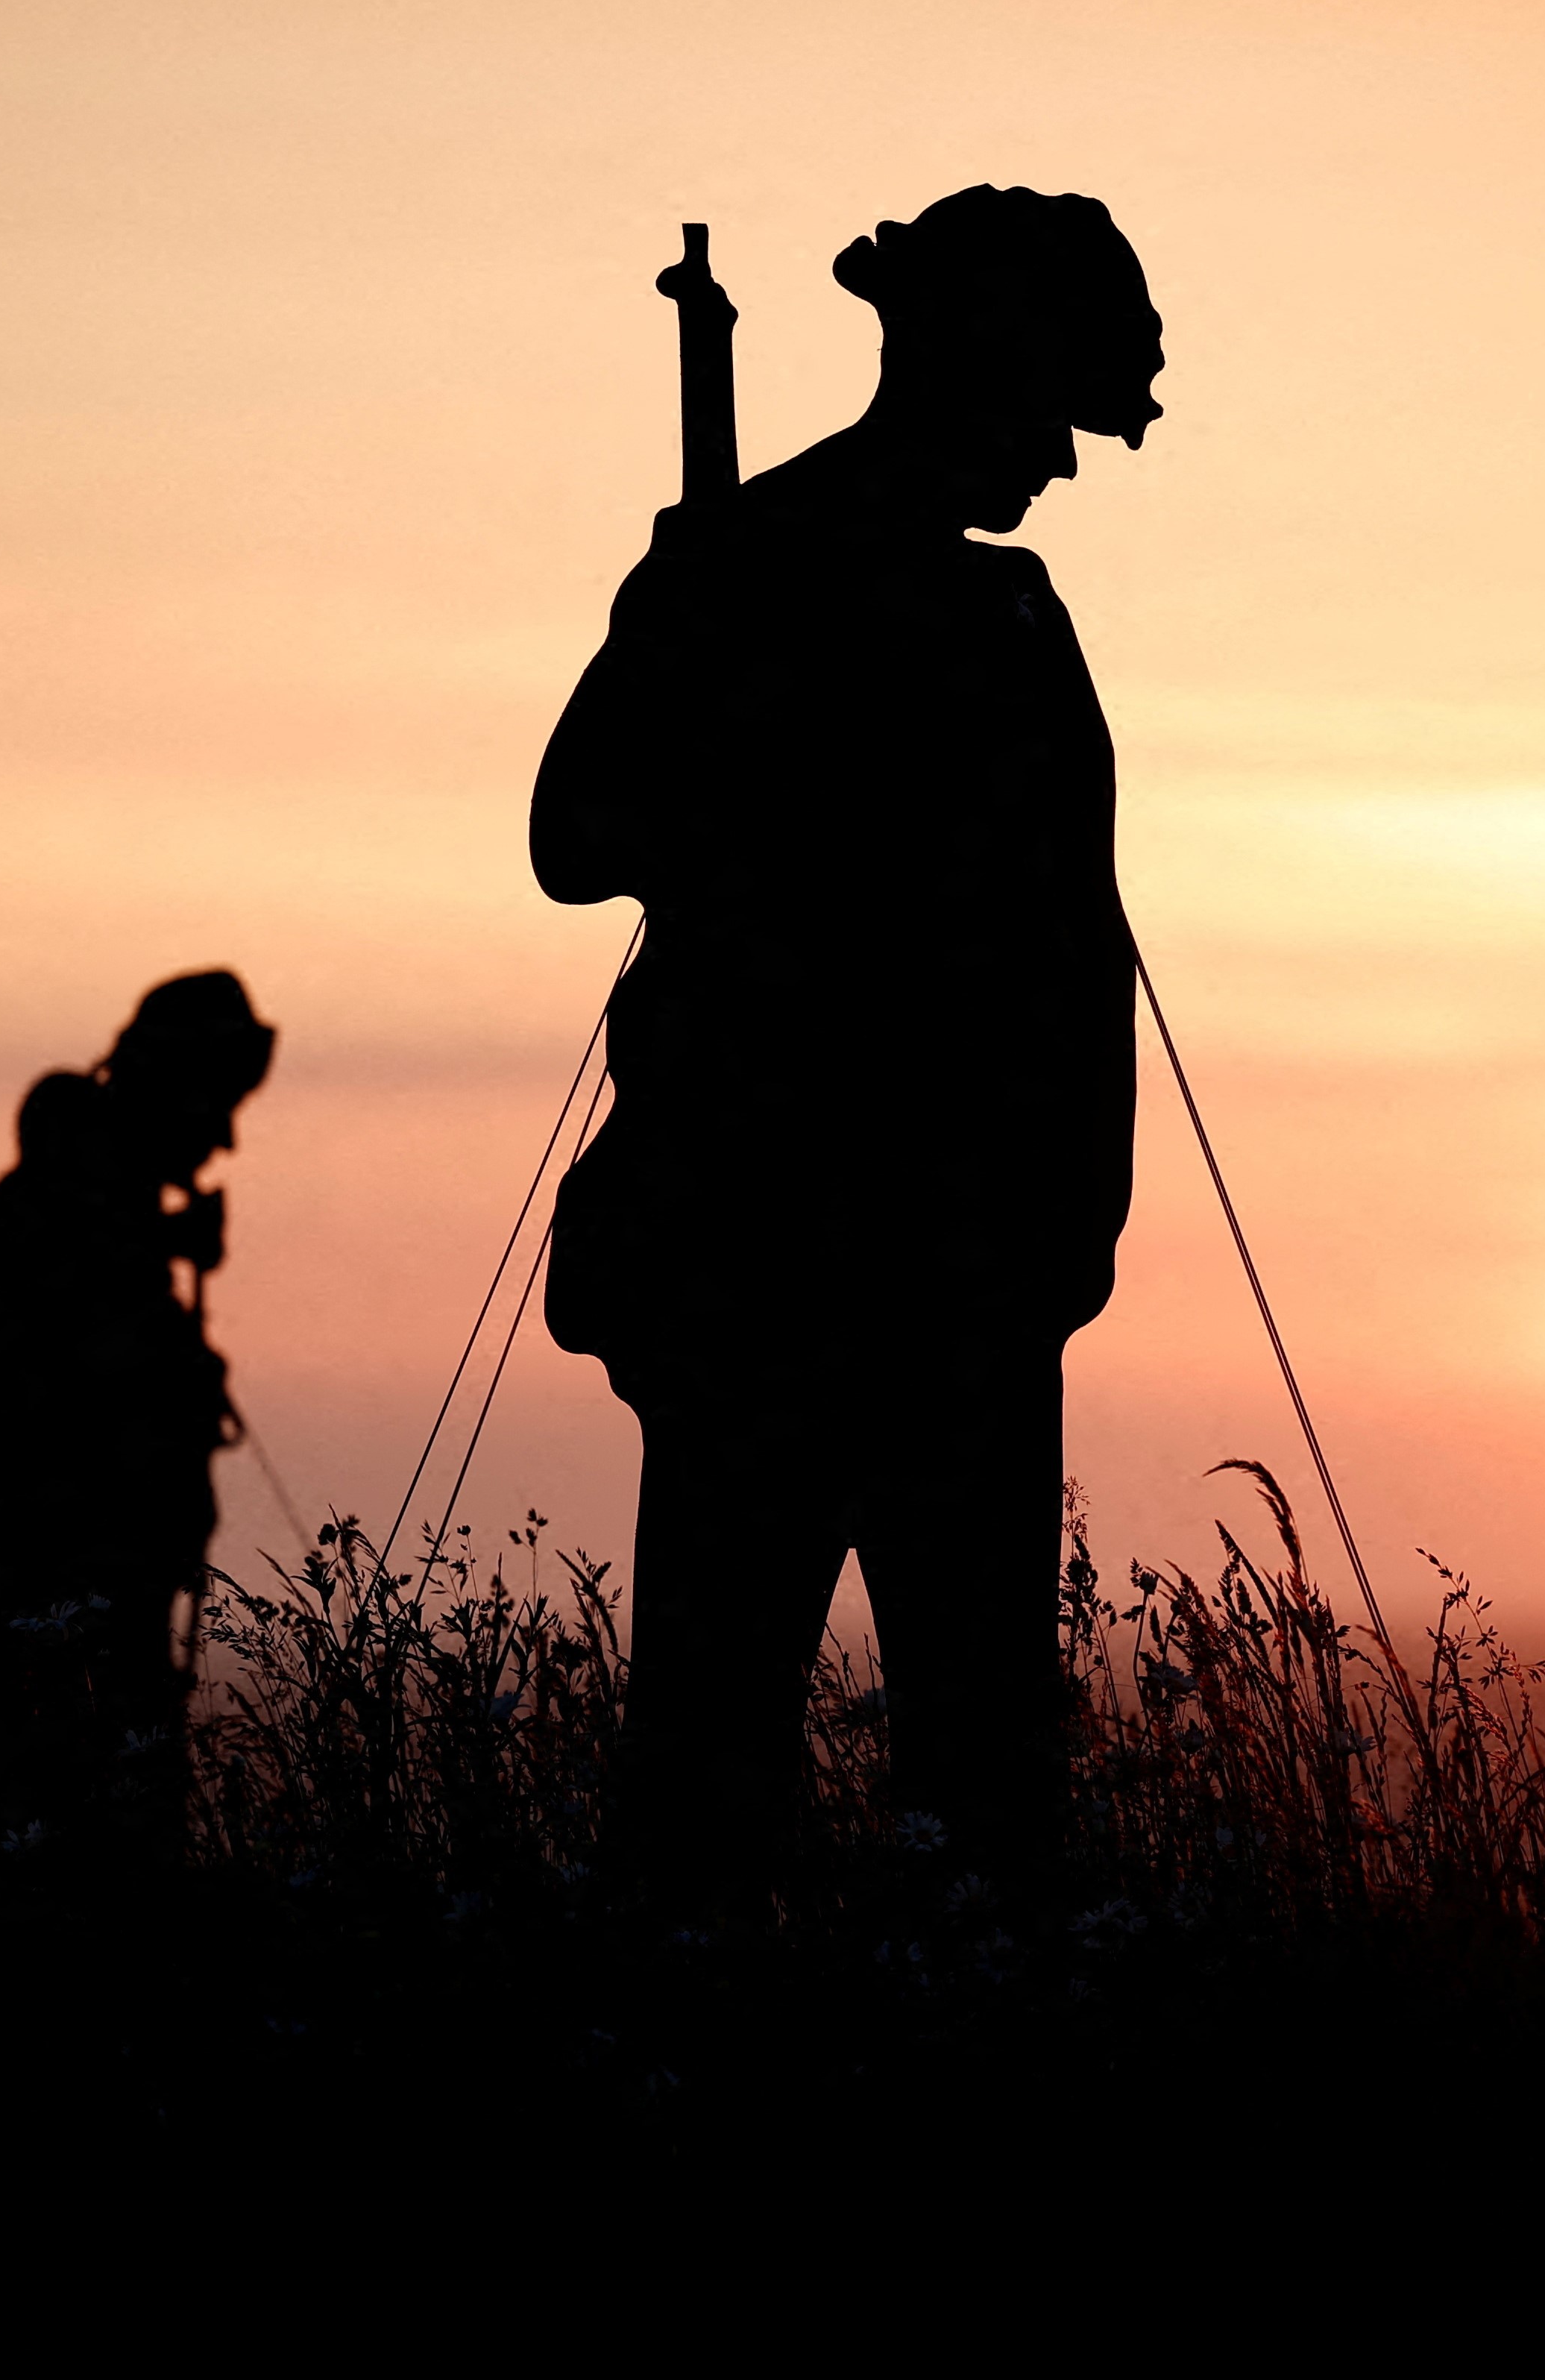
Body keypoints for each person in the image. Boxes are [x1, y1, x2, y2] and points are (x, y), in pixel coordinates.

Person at [532, 185, 1162, 1900]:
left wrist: (1058, 1233)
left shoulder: (992, 614)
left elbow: (1062, 954)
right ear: (968, 382)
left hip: (960, 1271)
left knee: (975, 1767)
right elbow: (577, 835)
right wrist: (725, 714)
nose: (1061, 461)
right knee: (715, 1761)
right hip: (774, 1258)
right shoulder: (742, 576)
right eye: (1048, 415)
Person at [0, 970, 272, 1894]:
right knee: (60, 1871)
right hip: (53, 1617)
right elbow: (85, 1422)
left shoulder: (81, 1217)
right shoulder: (61, 1225)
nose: (224, 1138)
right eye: (219, 1104)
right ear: (172, 1086)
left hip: (80, 1610)